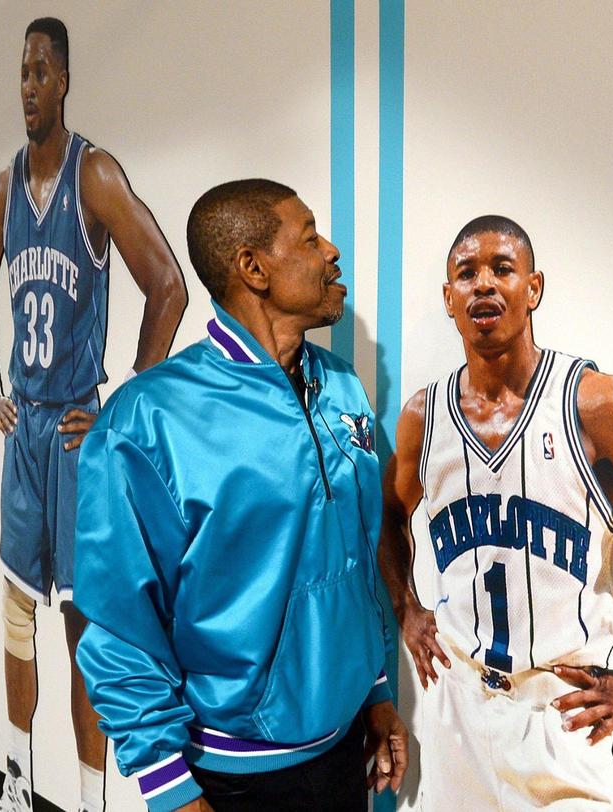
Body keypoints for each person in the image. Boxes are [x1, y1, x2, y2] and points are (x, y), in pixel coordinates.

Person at [378, 215, 613, 810]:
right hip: (456, 714)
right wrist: (407, 607)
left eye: (502, 269)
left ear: (533, 289)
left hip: (559, 716)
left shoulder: (598, 404)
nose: (484, 284)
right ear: (448, 299)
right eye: (466, 273)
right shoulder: (422, 417)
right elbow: (384, 519)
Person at [73, 179, 408, 812]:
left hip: (342, 751)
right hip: (230, 772)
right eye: (309, 237)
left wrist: (376, 691)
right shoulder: (148, 421)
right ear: (253, 268)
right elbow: (120, 623)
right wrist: (167, 785)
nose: (332, 251)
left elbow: (354, 561)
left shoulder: (339, 387)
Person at [0, 17, 187, 812]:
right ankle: (19, 787)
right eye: (20, 73)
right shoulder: (2, 187)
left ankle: (93, 802)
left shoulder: (93, 176)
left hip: (75, 430)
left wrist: (125, 406)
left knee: (84, 633)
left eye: (39, 72)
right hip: (23, 428)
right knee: (17, 614)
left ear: (64, 81)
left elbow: (168, 284)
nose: (27, 87)